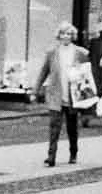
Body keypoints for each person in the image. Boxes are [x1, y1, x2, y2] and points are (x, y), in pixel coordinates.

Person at [34, 21, 89, 166]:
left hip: (72, 95)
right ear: (59, 35)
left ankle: (73, 153)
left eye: (69, 34)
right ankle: (51, 157)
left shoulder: (80, 53)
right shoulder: (52, 52)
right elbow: (43, 71)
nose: (66, 36)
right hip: (56, 95)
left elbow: (86, 73)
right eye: (63, 33)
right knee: (54, 127)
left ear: (73, 36)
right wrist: (35, 90)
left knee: (72, 127)